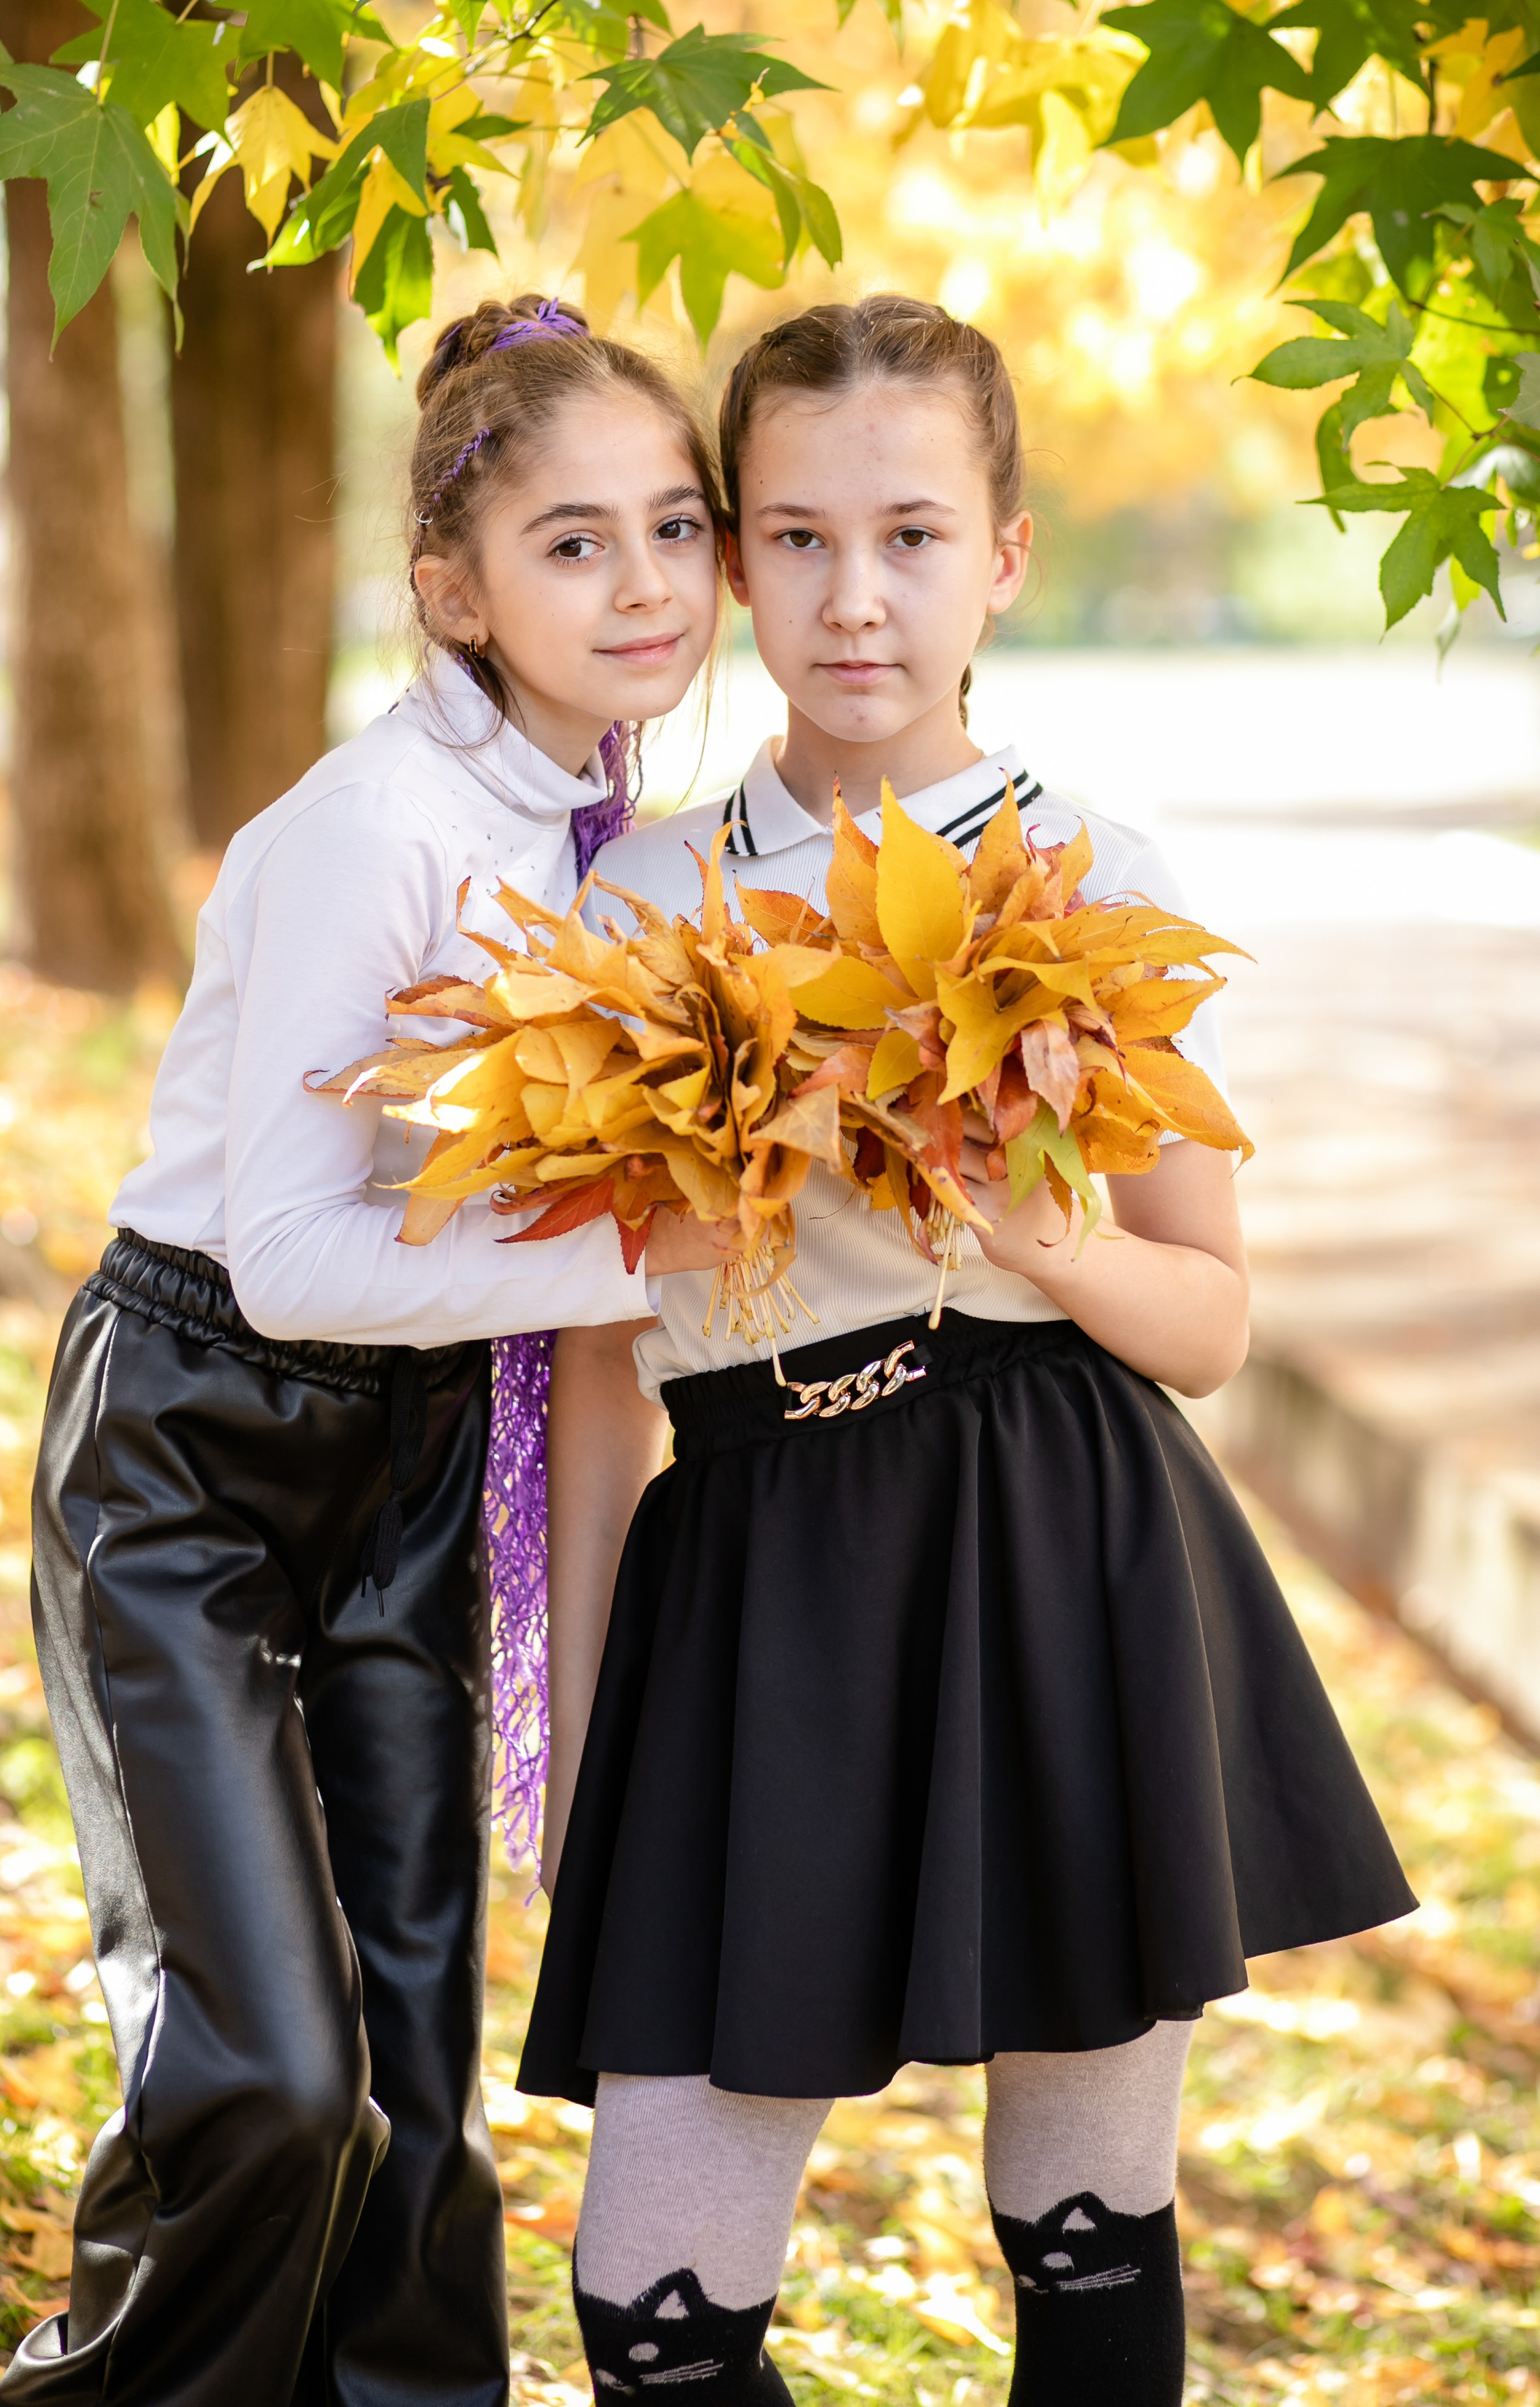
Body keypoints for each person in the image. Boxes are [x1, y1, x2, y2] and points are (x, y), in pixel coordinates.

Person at [518, 295, 1415, 2406]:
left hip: (1063, 1552)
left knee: (1084, 2233)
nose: (857, 598)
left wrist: (1048, 1241)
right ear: (734, 558)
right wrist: (570, 1722)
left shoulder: (1094, 873)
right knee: (655, 2303)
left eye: (914, 535)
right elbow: (588, 1366)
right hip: (753, 1583)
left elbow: (1211, 1322)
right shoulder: (644, 897)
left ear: (1004, 552)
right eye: (802, 539)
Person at [0, 294, 735, 2407]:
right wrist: (627, 1265)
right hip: (197, 1446)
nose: (649, 586)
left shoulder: (614, 829)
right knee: (280, 2071)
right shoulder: (368, 829)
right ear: (453, 586)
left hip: (418, 1461)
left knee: (419, 2080)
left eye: (675, 530)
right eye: (574, 542)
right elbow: (305, 1259)